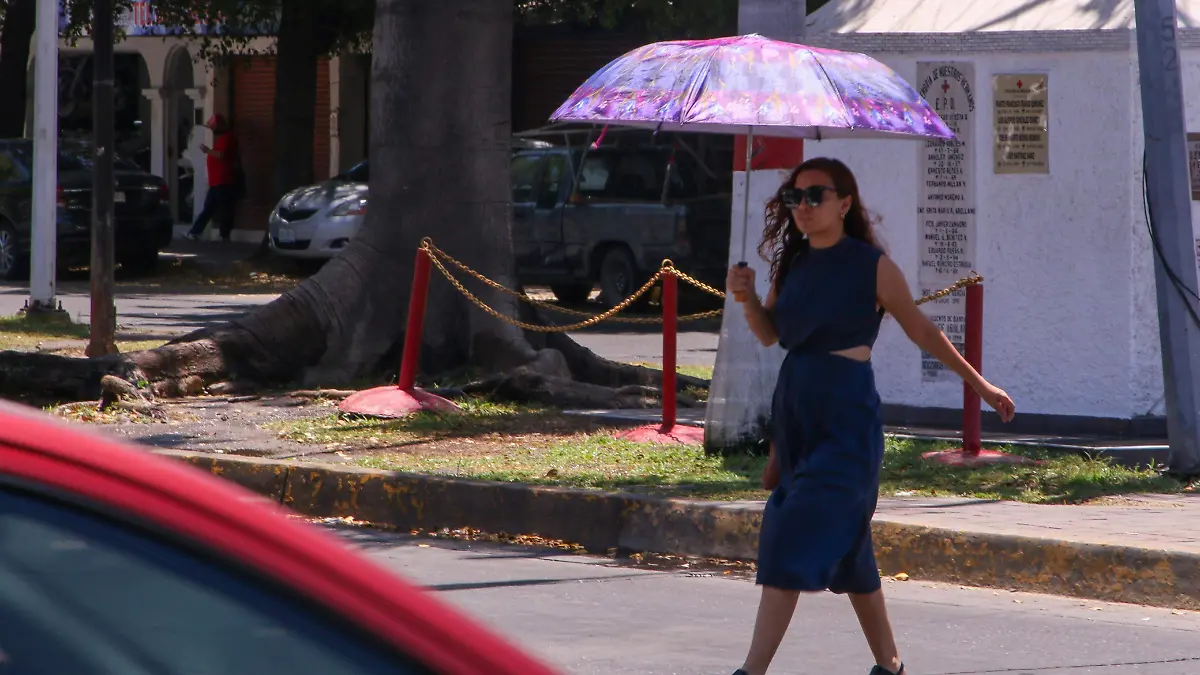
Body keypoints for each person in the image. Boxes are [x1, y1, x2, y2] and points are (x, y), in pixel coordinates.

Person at [724, 157, 1016, 675]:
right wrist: (745, 299)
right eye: (794, 197)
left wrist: (981, 385)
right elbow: (771, 334)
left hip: (846, 418)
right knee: (853, 555)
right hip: (797, 411)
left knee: (789, 533)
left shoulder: (872, 266)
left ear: (844, 203)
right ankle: (891, 665)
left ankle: (750, 671)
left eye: (816, 195)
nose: (803, 206)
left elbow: (923, 330)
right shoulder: (792, 264)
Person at [184, 114, 240, 242]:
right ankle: (201, 232)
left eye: (213, 128)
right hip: (218, 181)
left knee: (219, 209)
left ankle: (212, 233)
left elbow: (220, 155)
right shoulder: (224, 138)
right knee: (214, 208)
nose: (212, 131)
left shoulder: (227, 138)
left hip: (223, 181)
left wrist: (208, 151)